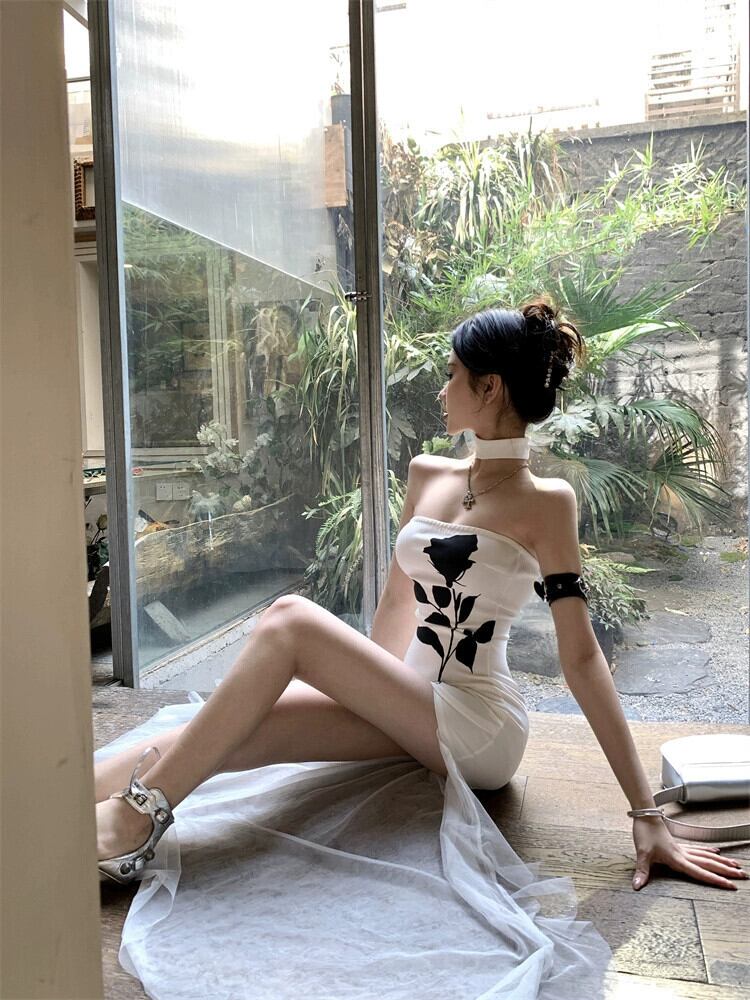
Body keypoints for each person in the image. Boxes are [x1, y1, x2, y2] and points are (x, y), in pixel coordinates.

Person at [94, 298, 746, 998]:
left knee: (289, 620)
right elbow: (393, 616)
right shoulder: (428, 473)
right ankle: (56, 806)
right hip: (409, 699)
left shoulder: (547, 502)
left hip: (478, 726)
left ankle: (137, 820)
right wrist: (346, 689)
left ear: (489, 388)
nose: (442, 387)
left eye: (453, 373)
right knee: (230, 729)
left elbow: (581, 657)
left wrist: (646, 812)